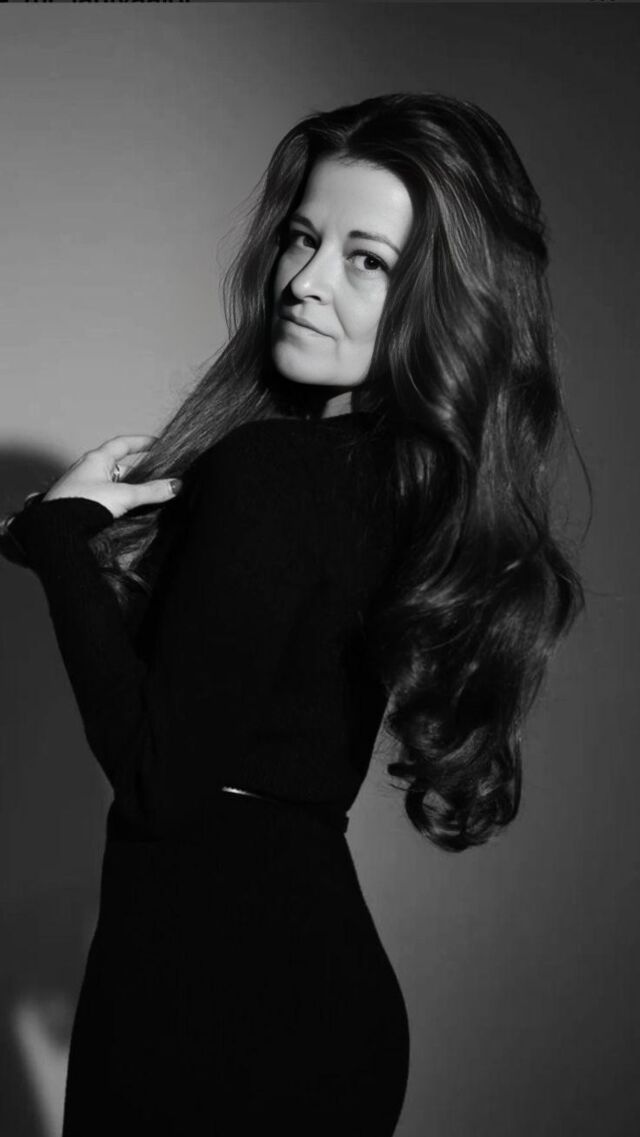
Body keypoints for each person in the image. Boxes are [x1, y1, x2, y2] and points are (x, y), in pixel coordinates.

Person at [0, 91, 588, 1135]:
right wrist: (64, 540)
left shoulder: (273, 471)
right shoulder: (392, 488)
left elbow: (160, 784)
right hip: (295, 996)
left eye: (367, 260)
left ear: (438, 300)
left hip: (217, 1010)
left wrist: (57, 545)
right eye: (303, 238)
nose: (306, 280)